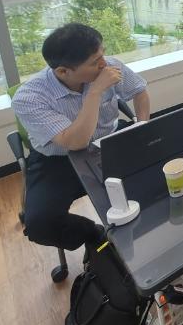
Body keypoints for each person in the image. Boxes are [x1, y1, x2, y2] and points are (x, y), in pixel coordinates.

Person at [12, 23, 150, 251]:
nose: (104, 64)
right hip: (59, 160)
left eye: (102, 54)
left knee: (157, 171)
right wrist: (95, 92)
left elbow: (139, 91)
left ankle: (145, 235)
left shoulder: (108, 65)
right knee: (40, 223)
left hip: (110, 141)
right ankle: (95, 235)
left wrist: (142, 126)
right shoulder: (29, 98)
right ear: (63, 72)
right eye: (95, 62)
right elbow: (75, 142)